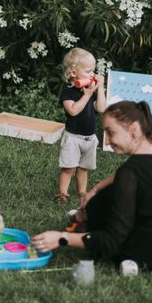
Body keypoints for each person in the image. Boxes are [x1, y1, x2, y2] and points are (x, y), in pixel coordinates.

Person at [32, 101, 152, 272]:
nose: (106, 141)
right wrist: (94, 190)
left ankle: (87, 222)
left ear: (134, 130)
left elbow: (111, 241)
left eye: (110, 133)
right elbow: (132, 173)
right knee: (107, 195)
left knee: (106, 208)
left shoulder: (129, 172)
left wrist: (61, 238)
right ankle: (86, 217)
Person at [54, 47, 106, 204]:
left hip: (89, 138)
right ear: (72, 73)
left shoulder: (90, 89)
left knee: (84, 168)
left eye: (93, 71)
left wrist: (100, 88)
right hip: (73, 138)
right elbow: (73, 111)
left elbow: (101, 109)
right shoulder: (68, 91)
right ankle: (62, 193)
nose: (92, 74)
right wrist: (87, 95)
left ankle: (81, 191)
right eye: (88, 71)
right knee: (68, 168)